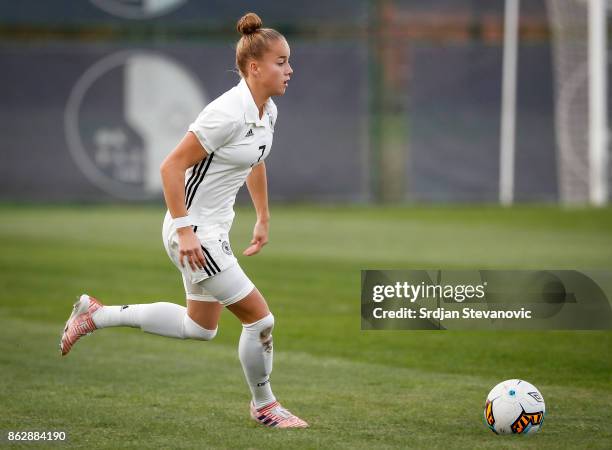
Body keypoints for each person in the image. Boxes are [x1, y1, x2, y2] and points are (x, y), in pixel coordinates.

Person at [59, 12, 307, 429]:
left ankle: (95, 315)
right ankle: (264, 406)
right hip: (195, 233)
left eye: (288, 60)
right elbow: (170, 167)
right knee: (260, 319)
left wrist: (262, 217)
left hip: (209, 232)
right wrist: (186, 230)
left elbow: (254, 161)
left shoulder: (267, 112)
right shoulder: (226, 112)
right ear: (254, 67)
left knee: (200, 327)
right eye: (281, 61)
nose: (289, 69)